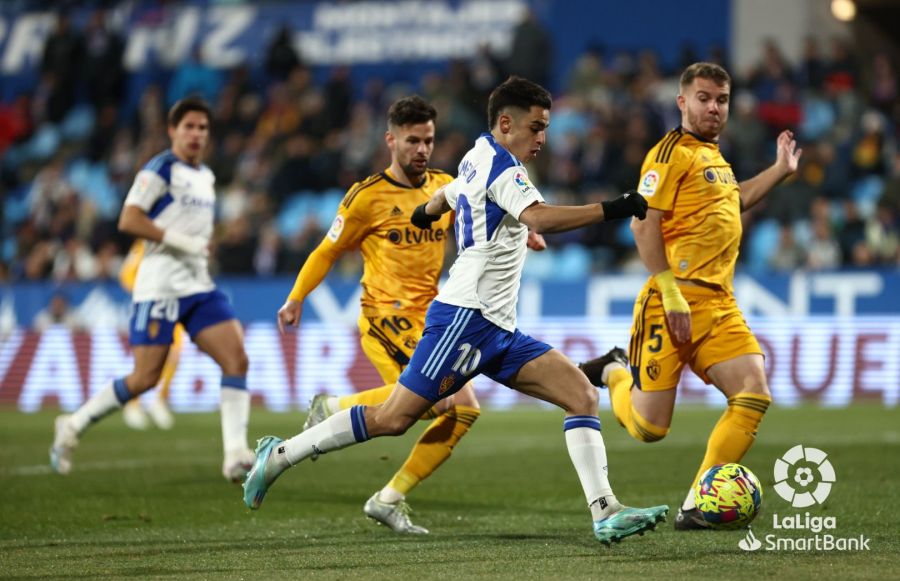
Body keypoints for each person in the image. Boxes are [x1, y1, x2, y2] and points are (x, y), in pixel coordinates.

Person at [246, 76, 667, 546]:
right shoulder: (502, 169)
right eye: (535, 127)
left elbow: (444, 198)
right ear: (506, 123)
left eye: (544, 128)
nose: (542, 138)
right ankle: (279, 455)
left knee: (581, 396)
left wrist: (425, 212)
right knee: (393, 418)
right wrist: (615, 207)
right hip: (464, 319)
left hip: (499, 329)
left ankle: (605, 512)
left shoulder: (474, 156)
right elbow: (541, 217)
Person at [583, 63, 801, 530]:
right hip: (670, 301)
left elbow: (735, 199)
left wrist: (781, 170)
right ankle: (613, 371)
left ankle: (697, 504)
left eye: (721, 100)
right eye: (704, 98)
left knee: (753, 392)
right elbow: (642, 223)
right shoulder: (669, 154)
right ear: (682, 101)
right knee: (648, 429)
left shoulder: (714, 159)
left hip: (719, 304)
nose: (714, 108)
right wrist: (669, 291)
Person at [276, 96, 484, 534]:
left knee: (462, 411)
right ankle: (332, 409)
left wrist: (528, 236)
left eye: (428, 140)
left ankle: (387, 497)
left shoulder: (447, 186)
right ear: (391, 140)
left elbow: (485, 220)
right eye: (412, 140)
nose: (422, 149)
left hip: (433, 314)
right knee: (445, 400)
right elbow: (327, 250)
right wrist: (296, 297)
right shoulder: (366, 197)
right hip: (385, 314)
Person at [50, 97, 255, 482]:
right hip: (159, 288)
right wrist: (181, 241)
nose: (196, 134)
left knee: (236, 360)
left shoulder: (207, 177)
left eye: (203, 128)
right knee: (145, 378)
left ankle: (234, 456)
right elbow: (129, 219)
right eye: (189, 127)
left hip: (198, 287)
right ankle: (72, 424)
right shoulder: (159, 170)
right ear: (172, 130)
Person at [118, 240, 178, 431]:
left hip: (173, 305)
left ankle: (159, 400)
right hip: (149, 305)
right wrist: (146, 290)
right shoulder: (143, 245)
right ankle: (133, 404)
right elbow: (126, 274)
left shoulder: (176, 244)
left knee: (175, 352)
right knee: (145, 357)